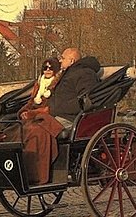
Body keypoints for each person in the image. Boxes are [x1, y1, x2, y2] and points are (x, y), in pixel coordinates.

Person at [12, 57, 65, 185]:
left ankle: (36, 173)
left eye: (50, 68)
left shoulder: (58, 85)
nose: (47, 70)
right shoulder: (39, 84)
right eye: (45, 68)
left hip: (45, 116)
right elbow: (31, 101)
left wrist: (32, 113)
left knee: (35, 133)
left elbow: (51, 107)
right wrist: (22, 112)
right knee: (14, 130)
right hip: (33, 116)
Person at [48, 47, 101, 129]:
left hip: (71, 119)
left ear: (71, 61)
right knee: (28, 126)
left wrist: (60, 107)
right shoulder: (68, 74)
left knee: (37, 130)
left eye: (63, 58)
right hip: (58, 115)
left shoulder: (84, 74)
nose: (60, 61)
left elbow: (87, 101)